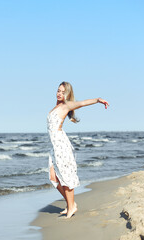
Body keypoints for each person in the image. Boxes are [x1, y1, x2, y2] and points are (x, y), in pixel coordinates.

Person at [47, 81, 109, 218]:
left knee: (65, 175)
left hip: (60, 145)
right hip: (54, 146)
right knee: (53, 177)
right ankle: (71, 204)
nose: (59, 93)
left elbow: (81, 103)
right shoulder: (56, 106)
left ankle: (71, 207)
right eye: (58, 91)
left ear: (67, 94)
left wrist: (98, 100)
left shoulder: (66, 105)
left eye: (63, 92)